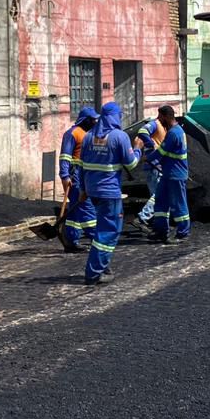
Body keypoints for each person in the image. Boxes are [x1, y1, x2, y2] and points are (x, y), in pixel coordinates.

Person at [77, 102, 140, 286]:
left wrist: (82, 190)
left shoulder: (88, 137)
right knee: (109, 231)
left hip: (92, 191)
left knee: (101, 228)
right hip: (110, 192)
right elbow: (131, 164)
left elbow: (81, 167)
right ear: (115, 116)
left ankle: (103, 265)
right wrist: (137, 148)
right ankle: (94, 272)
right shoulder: (120, 137)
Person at [57, 106, 98, 252]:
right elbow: (65, 157)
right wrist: (65, 175)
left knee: (74, 211)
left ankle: (71, 242)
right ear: (86, 120)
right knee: (87, 208)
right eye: (93, 119)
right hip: (75, 177)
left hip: (85, 176)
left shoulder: (88, 134)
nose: (95, 121)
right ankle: (97, 240)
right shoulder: (72, 133)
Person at [149, 105, 190, 243]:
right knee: (160, 201)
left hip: (175, 174)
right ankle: (161, 231)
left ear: (166, 117)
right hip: (168, 173)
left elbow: (161, 152)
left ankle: (182, 233)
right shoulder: (175, 131)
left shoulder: (174, 133)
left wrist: (146, 157)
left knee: (178, 204)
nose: (158, 120)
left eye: (160, 117)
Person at [132, 115, 166, 229]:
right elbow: (143, 131)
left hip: (152, 167)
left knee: (155, 196)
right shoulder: (155, 125)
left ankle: (158, 223)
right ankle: (142, 218)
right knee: (160, 195)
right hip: (155, 166)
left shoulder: (158, 130)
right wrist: (151, 145)